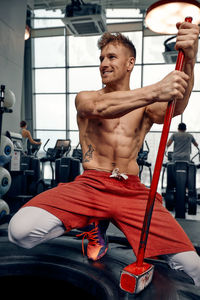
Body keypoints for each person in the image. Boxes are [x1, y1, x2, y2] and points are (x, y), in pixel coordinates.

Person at [8, 22, 200, 287]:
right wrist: (156, 90)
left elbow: (176, 103)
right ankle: (91, 221)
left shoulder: (145, 106)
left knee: (193, 265)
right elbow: (101, 108)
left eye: (111, 57)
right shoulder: (87, 98)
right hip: (91, 185)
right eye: (101, 58)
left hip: (131, 191)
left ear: (130, 62)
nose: (103, 64)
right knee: (20, 232)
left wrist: (190, 57)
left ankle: (99, 220)